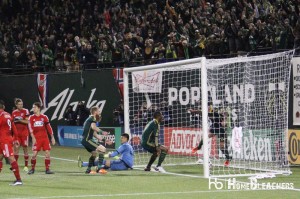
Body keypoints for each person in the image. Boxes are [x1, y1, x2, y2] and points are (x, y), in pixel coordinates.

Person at [27, 102, 56, 174]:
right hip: (37, 139)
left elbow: (49, 127)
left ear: (39, 108)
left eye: (35, 107)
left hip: (45, 138)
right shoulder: (31, 117)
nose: (33, 109)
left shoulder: (44, 117)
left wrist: (52, 137)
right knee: (34, 154)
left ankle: (47, 169)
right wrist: (33, 137)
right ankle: (32, 169)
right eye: (33, 107)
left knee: (47, 154)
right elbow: (30, 128)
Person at [0, 100, 23, 186]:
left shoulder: (1, 116)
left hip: (4, 140)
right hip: (5, 139)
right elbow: (13, 127)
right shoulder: (8, 115)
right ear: (4, 107)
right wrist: (16, 138)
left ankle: (18, 180)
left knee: (11, 158)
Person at [81, 106, 109, 174]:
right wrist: (102, 132)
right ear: (95, 112)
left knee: (94, 153)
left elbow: (95, 135)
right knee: (103, 149)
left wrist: (105, 140)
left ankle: (88, 169)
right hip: (88, 140)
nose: (99, 113)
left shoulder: (88, 120)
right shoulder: (92, 118)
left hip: (84, 141)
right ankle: (99, 169)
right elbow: (94, 127)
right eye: (99, 111)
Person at [11, 98, 30, 172]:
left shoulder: (25, 111)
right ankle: (15, 166)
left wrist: (19, 120)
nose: (21, 105)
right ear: (16, 105)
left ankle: (26, 166)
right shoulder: (14, 112)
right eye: (19, 104)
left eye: (21, 104)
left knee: (25, 148)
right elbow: (12, 122)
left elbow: (27, 122)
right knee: (16, 149)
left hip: (24, 134)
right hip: (16, 134)